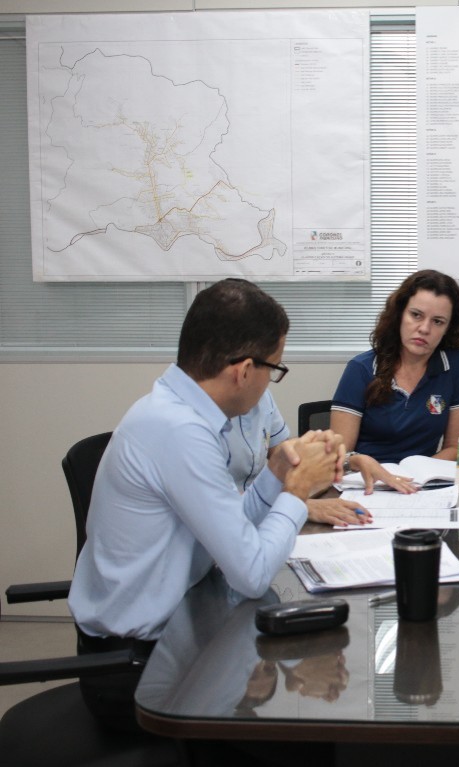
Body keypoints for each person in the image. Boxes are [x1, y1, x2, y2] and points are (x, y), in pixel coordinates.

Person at [68, 278, 345, 731]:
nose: (270, 383)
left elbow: (233, 532)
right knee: (302, 733)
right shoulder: (180, 431)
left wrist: (276, 473)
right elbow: (251, 574)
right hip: (135, 672)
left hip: (179, 633)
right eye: (274, 369)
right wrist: (296, 492)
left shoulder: (182, 413)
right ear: (244, 370)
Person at [330, 269, 459, 492]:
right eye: (416, 315)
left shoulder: (457, 366)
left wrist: (419, 476)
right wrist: (361, 463)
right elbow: (339, 456)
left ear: (448, 328)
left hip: (420, 486)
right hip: (367, 485)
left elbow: (455, 447)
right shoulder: (361, 368)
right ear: (399, 314)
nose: (424, 329)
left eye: (438, 321)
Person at [226, 391, 372, 527]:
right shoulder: (213, 421)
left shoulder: (263, 396)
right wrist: (300, 505)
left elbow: (285, 455)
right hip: (232, 524)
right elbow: (224, 504)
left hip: (254, 516)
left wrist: (342, 459)